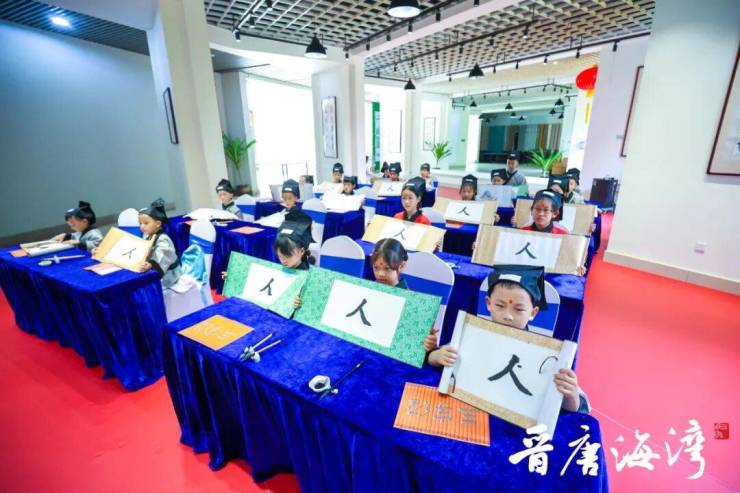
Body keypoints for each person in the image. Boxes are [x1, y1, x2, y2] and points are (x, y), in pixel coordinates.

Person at [425, 265, 590, 413]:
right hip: (469, 409)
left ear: (533, 313)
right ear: (488, 303)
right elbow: (436, 359)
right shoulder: (472, 334)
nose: (508, 316)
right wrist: (437, 356)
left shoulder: (544, 352)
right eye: (500, 306)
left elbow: (574, 407)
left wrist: (570, 393)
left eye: (518, 309)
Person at [138, 199, 181, 288]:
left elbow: (162, 253)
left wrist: (150, 264)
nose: (142, 227)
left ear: (158, 224)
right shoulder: (147, 235)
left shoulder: (163, 239)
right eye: (140, 223)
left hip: (169, 274)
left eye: (146, 223)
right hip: (154, 268)